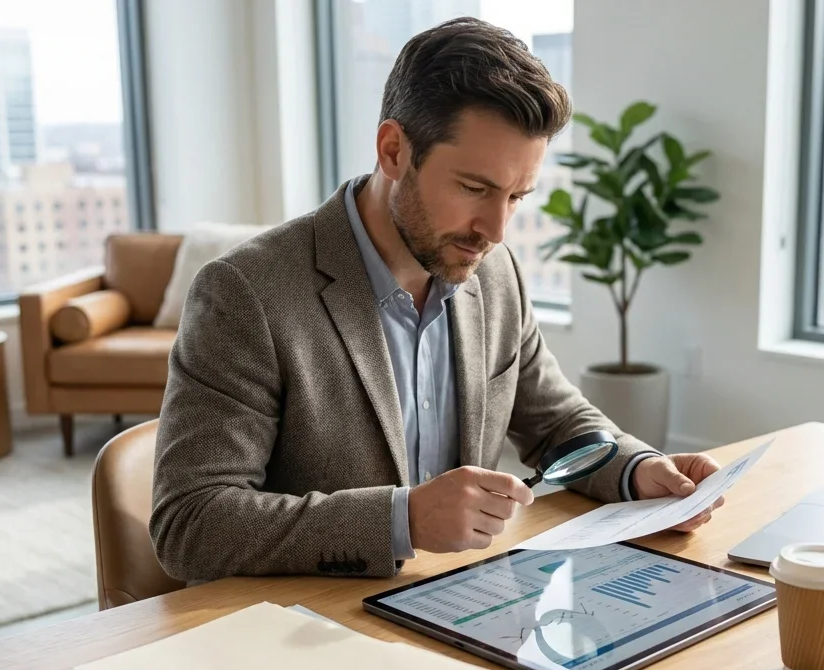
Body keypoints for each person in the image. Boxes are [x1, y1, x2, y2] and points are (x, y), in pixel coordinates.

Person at [149, 17, 723, 583]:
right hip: (315, 637)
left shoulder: (493, 271)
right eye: (475, 189)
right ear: (394, 150)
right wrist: (402, 519)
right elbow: (191, 523)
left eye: (516, 196)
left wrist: (640, 469)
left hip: (468, 601)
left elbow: (556, 423)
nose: (496, 229)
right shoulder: (246, 293)